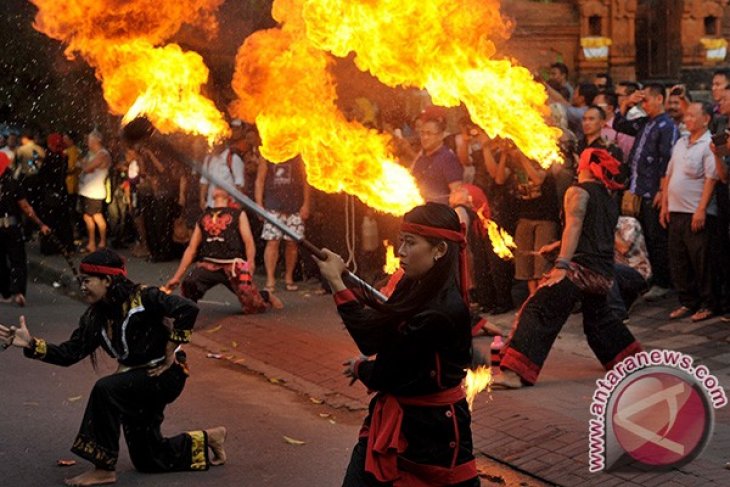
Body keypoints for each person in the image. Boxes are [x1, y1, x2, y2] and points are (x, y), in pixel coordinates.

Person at [0, 249, 226, 487]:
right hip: (137, 380)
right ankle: (209, 438)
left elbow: (188, 309)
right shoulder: (95, 318)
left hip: (165, 375)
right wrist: (31, 344)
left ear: (107, 280)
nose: (82, 286)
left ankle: (103, 469)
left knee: (106, 389)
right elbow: (69, 353)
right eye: (81, 280)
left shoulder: (144, 298)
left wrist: (172, 347)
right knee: (148, 458)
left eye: (87, 280)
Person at [314, 202, 479, 486]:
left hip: (434, 433)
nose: (399, 251)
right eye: (401, 241)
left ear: (439, 250)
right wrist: (343, 278)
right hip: (398, 418)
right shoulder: (412, 283)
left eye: (410, 243)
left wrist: (337, 285)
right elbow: (382, 330)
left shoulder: (443, 310)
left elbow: (377, 352)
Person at [493, 149, 642, 389]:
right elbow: (590, 232)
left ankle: (514, 373)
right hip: (602, 273)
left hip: (579, 270)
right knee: (599, 320)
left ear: (585, 166)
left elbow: (573, 228)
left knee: (539, 308)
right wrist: (557, 246)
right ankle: (631, 363)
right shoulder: (607, 195)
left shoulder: (577, 191)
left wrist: (562, 265)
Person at [164, 187, 283, 313]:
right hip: (209, 264)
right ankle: (187, 311)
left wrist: (250, 262)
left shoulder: (238, 214)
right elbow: (191, 249)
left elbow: (248, 242)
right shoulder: (204, 216)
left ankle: (265, 295)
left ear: (229, 194)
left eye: (222, 186)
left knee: (253, 304)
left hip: (234, 265)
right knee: (189, 283)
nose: (219, 188)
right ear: (211, 193)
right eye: (216, 186)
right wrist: (176, 277)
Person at [614, 83, 679, 301]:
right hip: (638, 189)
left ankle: (664, 282)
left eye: (646, 100)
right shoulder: (645, 122)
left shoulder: (666, 125)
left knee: (656, 237)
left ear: (660, 99)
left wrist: (663, 190)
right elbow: (620, 124)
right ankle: (650, 277)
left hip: (654, 191)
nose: (643, 105)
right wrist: (626, 104)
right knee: (643, 238)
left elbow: (667, 161)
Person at [660, 102, 718, 322]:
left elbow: (711, 179)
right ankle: (687, 301)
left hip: (696, 212)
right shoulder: (681, 142)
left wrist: (701, 209)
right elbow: (669, 175)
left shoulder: (708, 144)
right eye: (686, 116)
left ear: (706, 119)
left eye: (693, 115)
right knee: (679, 260)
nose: (687, 119)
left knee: (701, 261)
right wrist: (665, 205)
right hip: (676, 211)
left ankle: (708, 303)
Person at [0, 151, 51, 306]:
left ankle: (6, 293)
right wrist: (40, 224)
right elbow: (26, 208)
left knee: (1, 262)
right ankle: (19, 292)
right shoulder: (14, 183)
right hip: (13, 227)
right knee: (18, 260)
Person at [255, 155, 311, 292]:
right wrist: (258, 205)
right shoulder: (268, 151)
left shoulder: (299, 153)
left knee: (292, 243)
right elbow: (260, 180)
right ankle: (270, 279)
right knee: (272, 241)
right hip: (273, 205)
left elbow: (306, 180)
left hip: (295, 206)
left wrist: (306, 204)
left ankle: (288, 277)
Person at [410, 106, 463, 204]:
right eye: (422, 133)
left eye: (429, 134)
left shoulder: (448, 159)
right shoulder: (421, 158)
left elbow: (457, 193)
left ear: (440, 136)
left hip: (437, 214)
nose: (425, 137)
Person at [78, 130, 111, 253]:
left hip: (95, 191)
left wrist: (85, 165)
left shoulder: (103, 154)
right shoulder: (93, 154)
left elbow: (86, 167)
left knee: (97, 216)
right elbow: (85, 165)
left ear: (97, 140)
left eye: (90, 140)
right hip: (87, 191)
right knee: (87, 217)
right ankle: (91, 243)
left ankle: (102, 242)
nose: (88, 143)